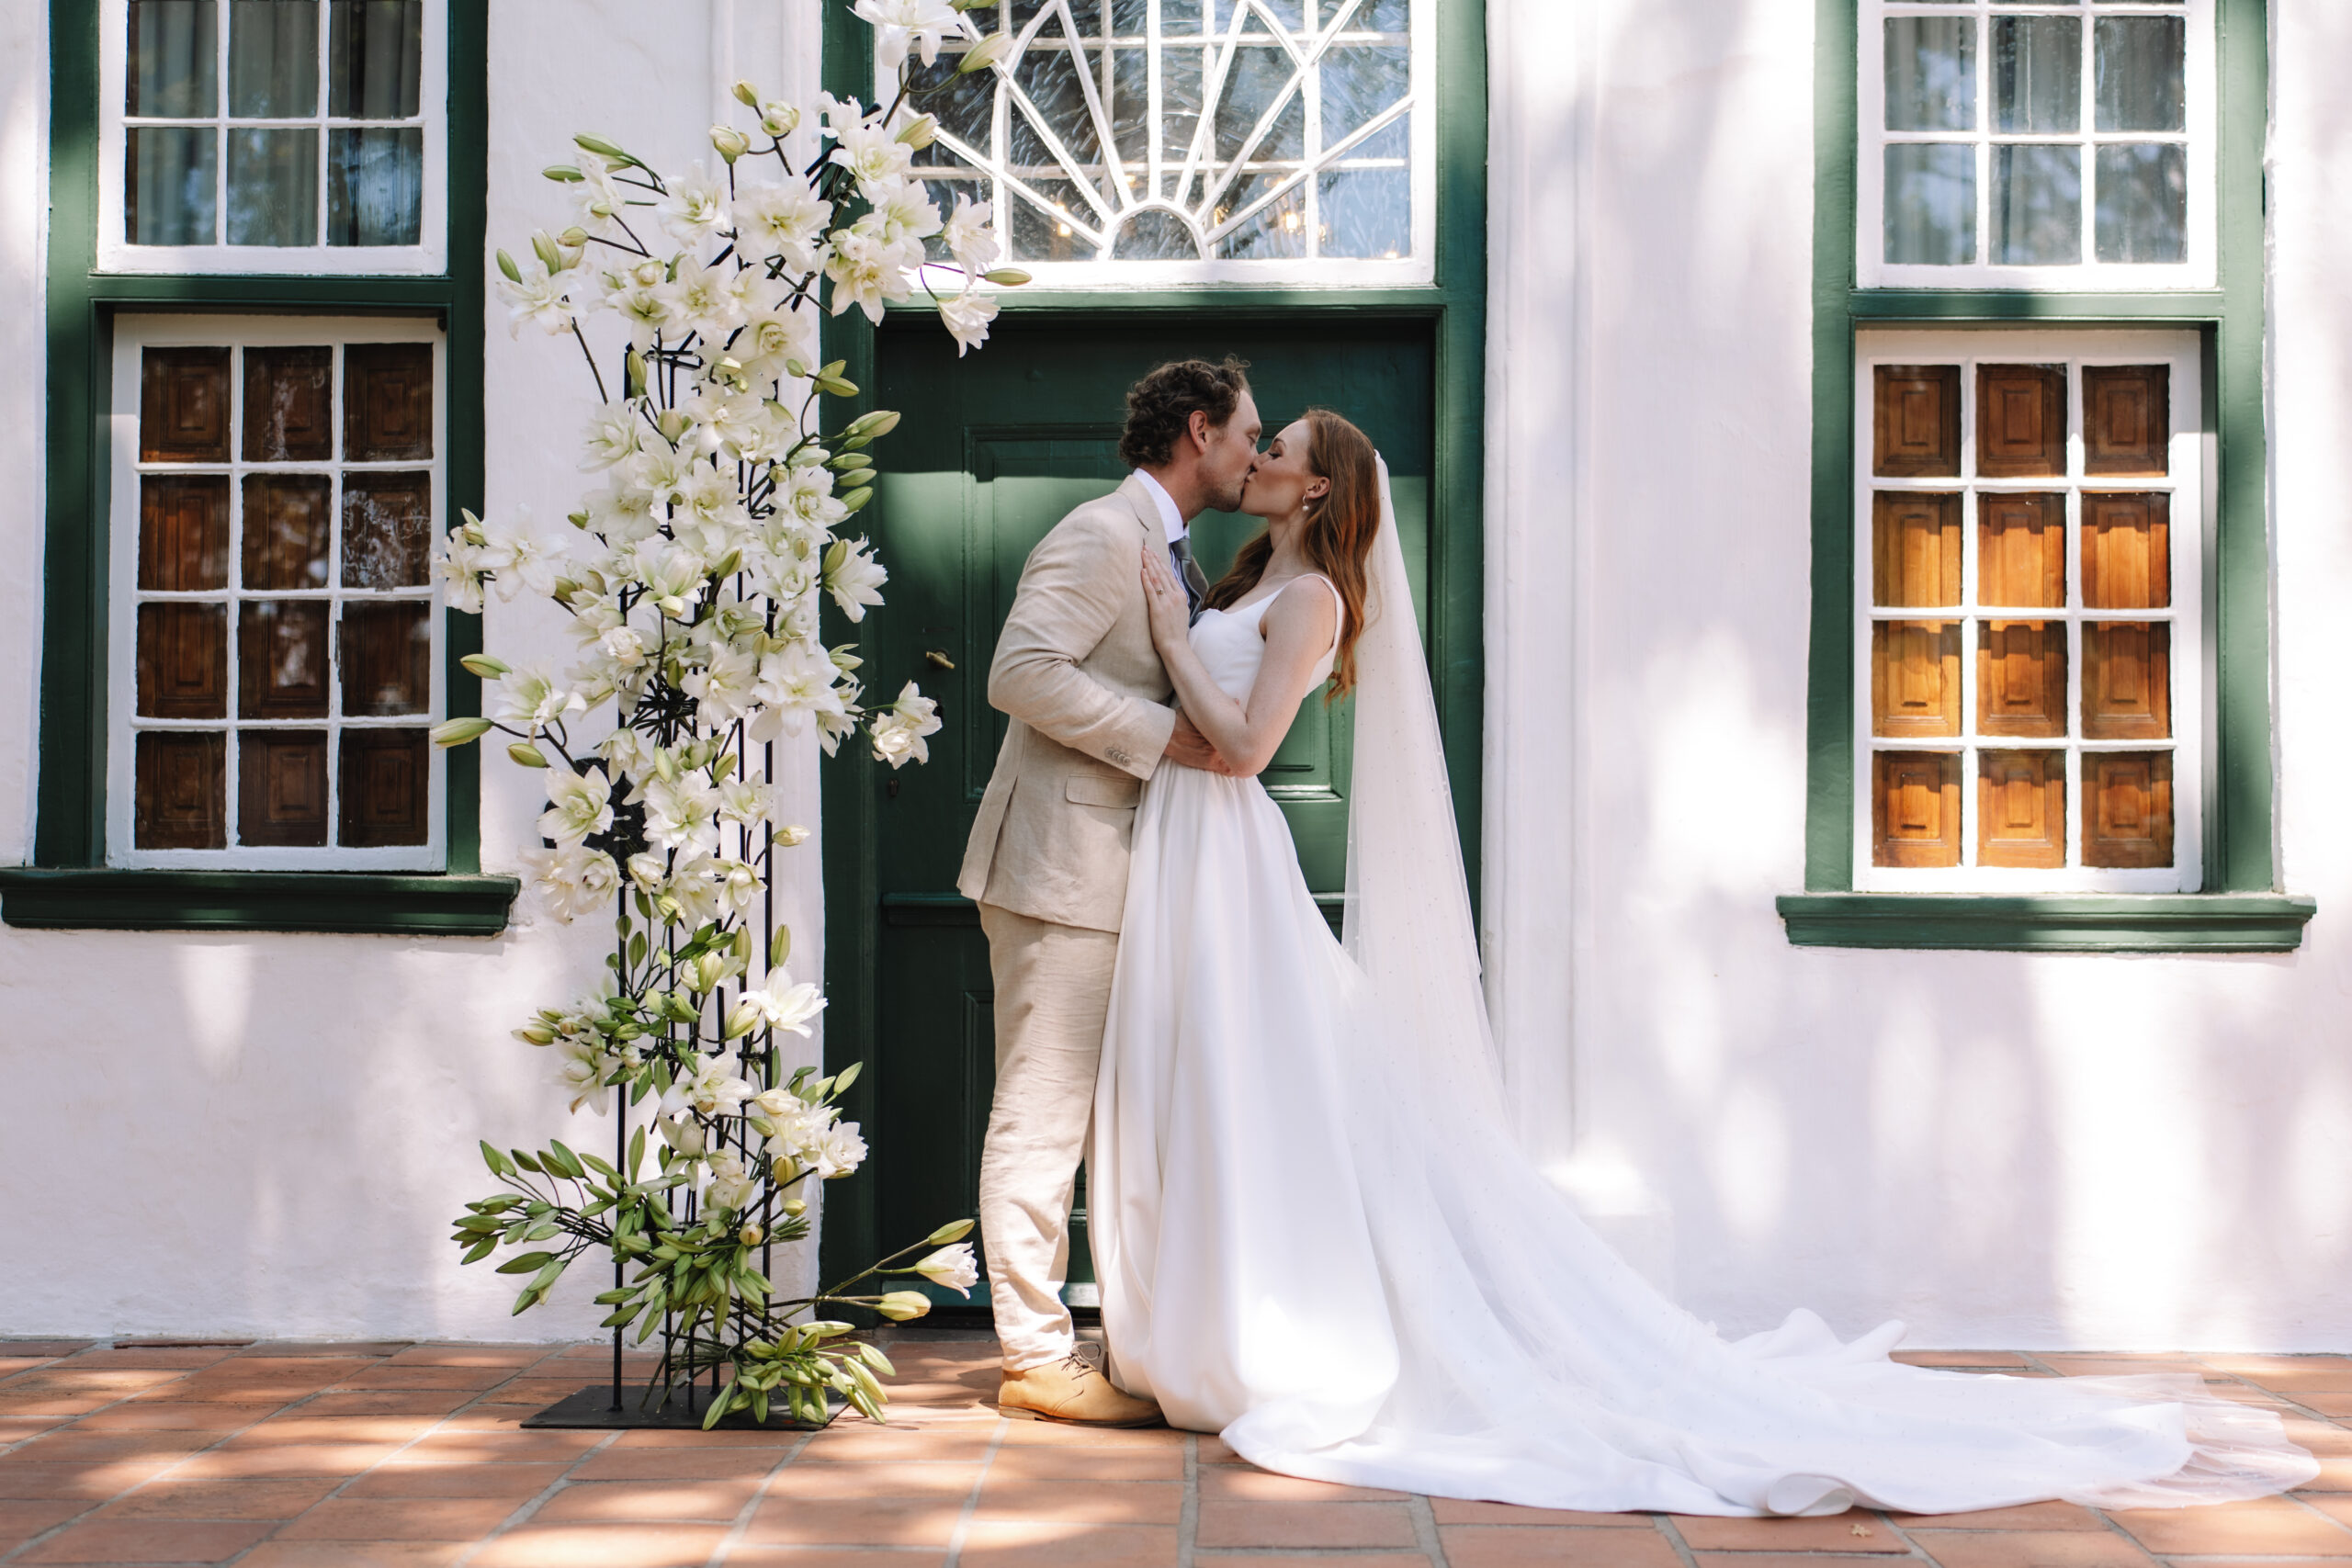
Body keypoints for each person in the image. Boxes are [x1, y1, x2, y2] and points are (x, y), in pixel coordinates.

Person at [1085, 407, 2320, 1515]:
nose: (1259, 458)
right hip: (1193, 849)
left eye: (1281, 450)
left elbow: (1244, 744)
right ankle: (1201, 1313)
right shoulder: (1255, 577)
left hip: (1225, 835)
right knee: (1216, 1075)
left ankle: (1255, 1327)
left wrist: (1165, 628)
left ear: (1317, 491)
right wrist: (1179, 617)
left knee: (1258, 1073)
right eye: (1257, 441)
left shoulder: (1311, 601)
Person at [957, 357, 1259, 1426]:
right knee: (1040, 1119)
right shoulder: (1099, 533)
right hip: (1058, 875)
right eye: (1245, 437)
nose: (1255, 457)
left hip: (1127, 876)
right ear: (1196, 432)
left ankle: (1101, 1335)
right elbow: (1020, 673)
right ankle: (1034, 1356)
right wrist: (1159, 738)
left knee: (1114, 1119)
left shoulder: (1173, 550)